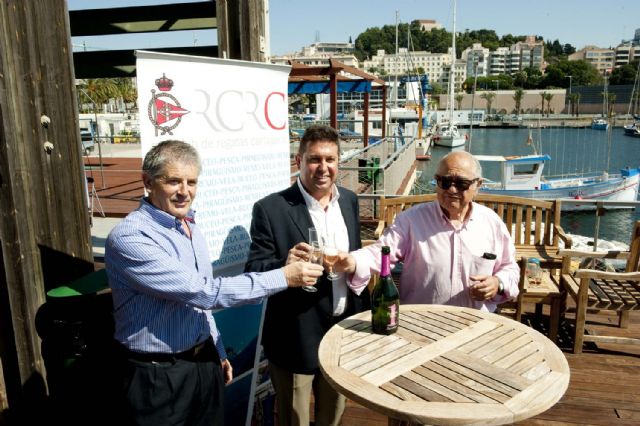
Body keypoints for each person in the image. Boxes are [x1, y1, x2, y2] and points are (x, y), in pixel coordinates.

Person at [105, 140, 323, 426]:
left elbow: (199, 302)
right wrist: (284, 276)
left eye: (191, 182)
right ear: (147, 182)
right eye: (173, 181)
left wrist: (217, 350)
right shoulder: (130, 238)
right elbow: (204, 292)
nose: (184, 191)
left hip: (202, 364)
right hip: (157, 376)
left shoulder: (187, 224)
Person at [245, 124, 370, 426]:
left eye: (330, 159)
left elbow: (355, 255)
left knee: (333, 415)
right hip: (295, 336)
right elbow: (254, 270)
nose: (323, 168)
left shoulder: (349, 200)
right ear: (299, 160)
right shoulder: (270, 208)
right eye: (314, 159)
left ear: (339, 162)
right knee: (294, 419)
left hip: (342, 332)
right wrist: (284, 266)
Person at [336, 150, 519, 312]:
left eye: (461, 183)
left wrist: (498, 283)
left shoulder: (491, 223)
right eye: (444, 182)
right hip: (420, 322)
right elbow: (382, 251)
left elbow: (510, 268)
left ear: (477, 185)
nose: (451, 189)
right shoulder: (411, 221)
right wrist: (352, 260)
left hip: (475, 324)